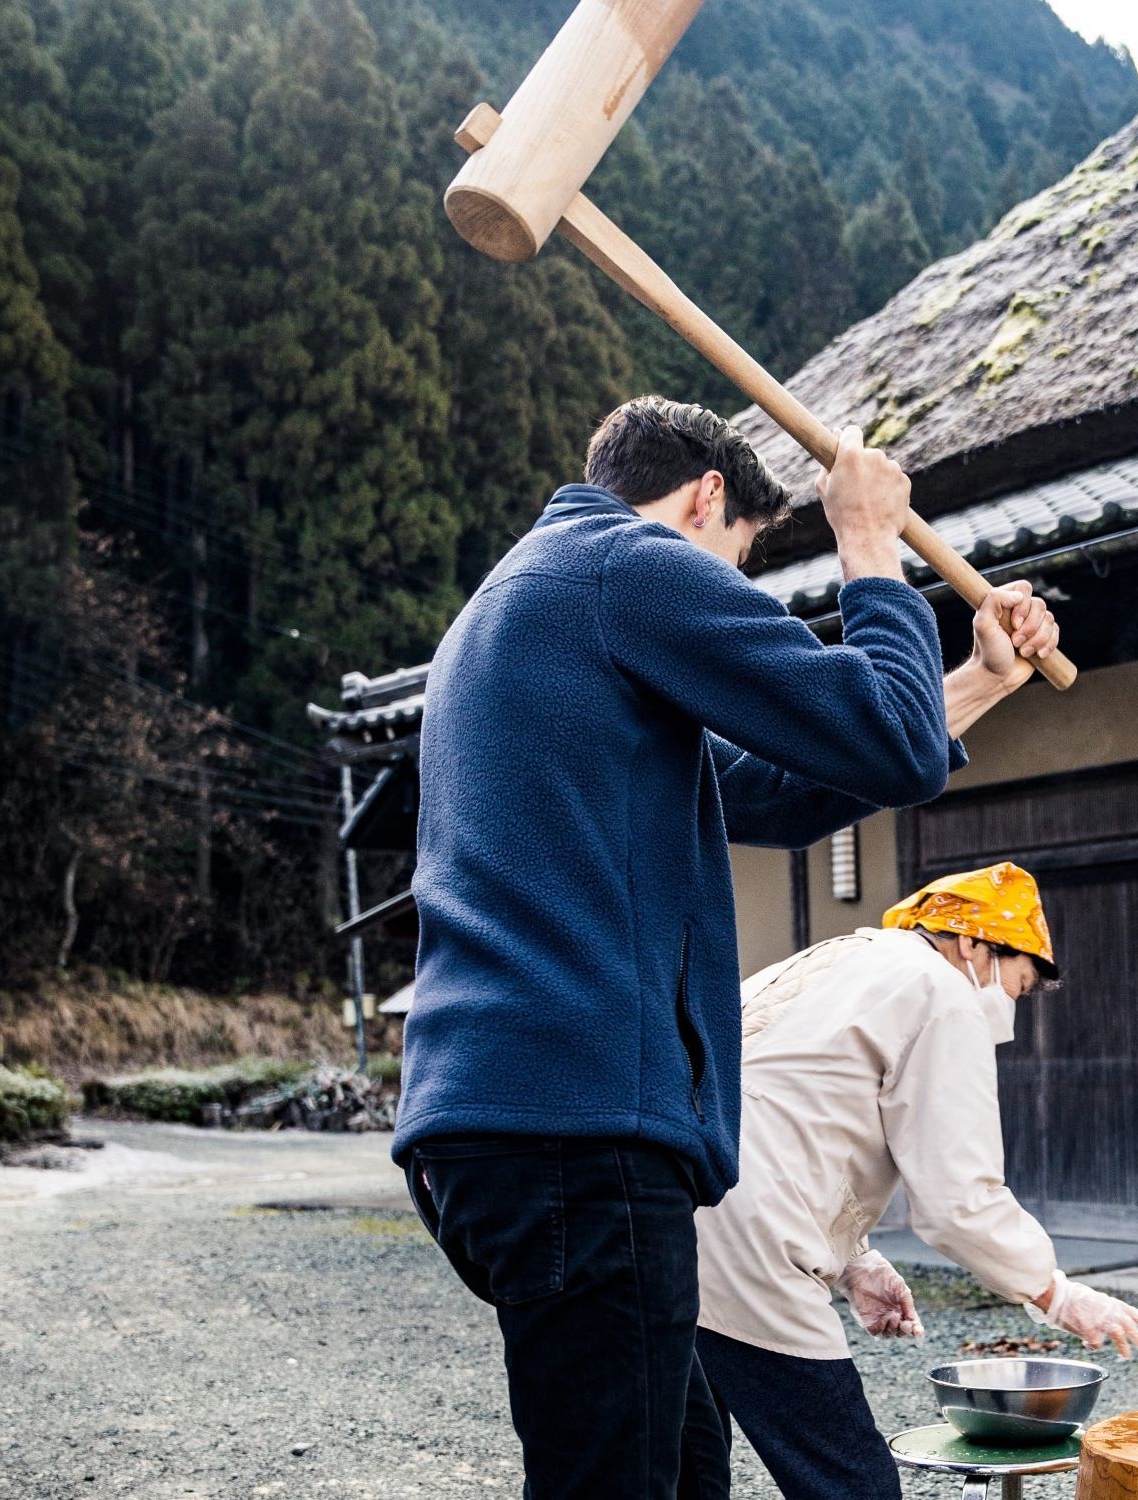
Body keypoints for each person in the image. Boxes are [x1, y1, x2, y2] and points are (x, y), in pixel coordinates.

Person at [394, 396, 1060, 1500]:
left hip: (499, 1125)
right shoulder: (633, 567)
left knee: (678, 1470)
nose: (732, 589)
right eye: (740, 561)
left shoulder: (524, 601)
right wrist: (865, 541)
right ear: (706, 496)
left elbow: (792, 788)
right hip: (580, 1127)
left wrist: (984, 677)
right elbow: (883, 743)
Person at [691, 862, 1138, 1500]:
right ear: (973, 944)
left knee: (677, 1462)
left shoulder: (834, 958)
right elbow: (958, 1199)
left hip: (670, 1211)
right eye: (1017, 987)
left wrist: (855, 1259)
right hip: (753, 1244)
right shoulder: (940, 991)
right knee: (845, 1473)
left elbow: (788, 1108)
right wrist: (1053, 1292)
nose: (1010, 1014)